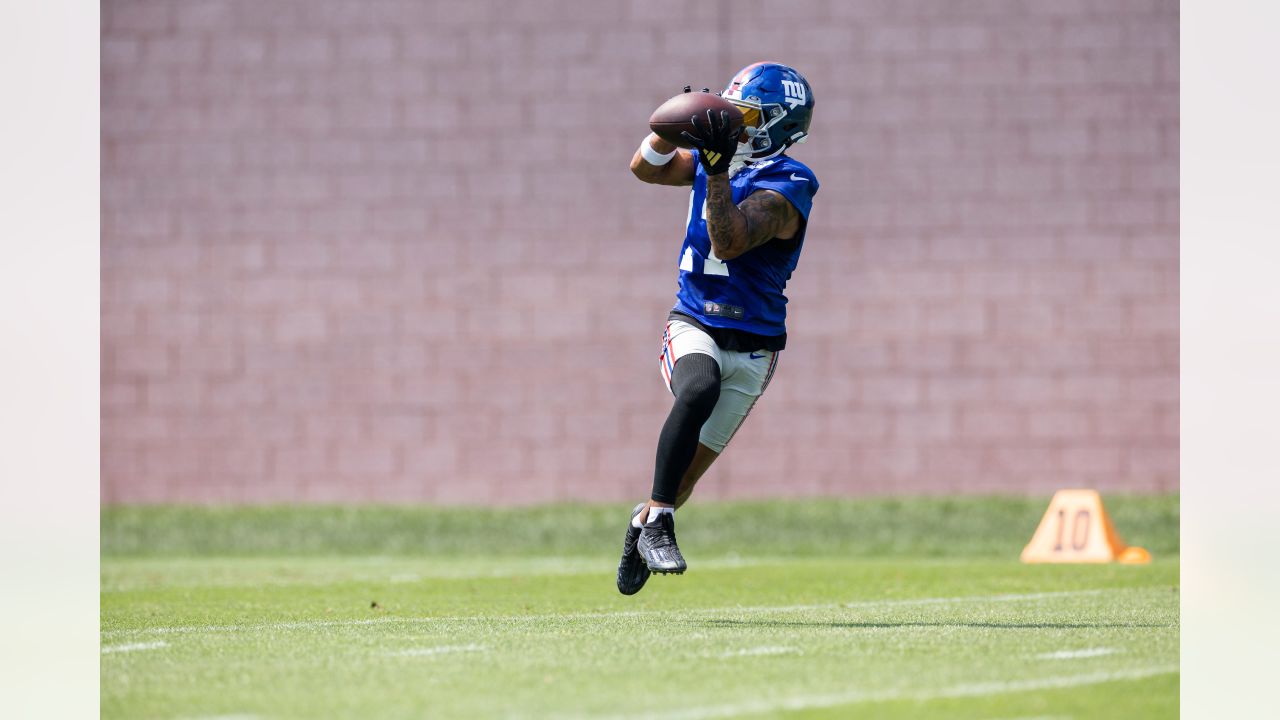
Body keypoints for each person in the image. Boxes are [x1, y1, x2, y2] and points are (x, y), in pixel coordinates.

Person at [617, 62, 819, 595]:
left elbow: (730, 241)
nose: (736, 124)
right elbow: (645, 168)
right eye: (733, 112)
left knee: (683, 480)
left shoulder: (792, 183)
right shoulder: (716, 160)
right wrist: (665, 127)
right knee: (698, 386)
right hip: (695, 317)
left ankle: (645, 519)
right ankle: (659, 520)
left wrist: (719, 167)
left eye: (748, 115)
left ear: (779, 124)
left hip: (755, 343)